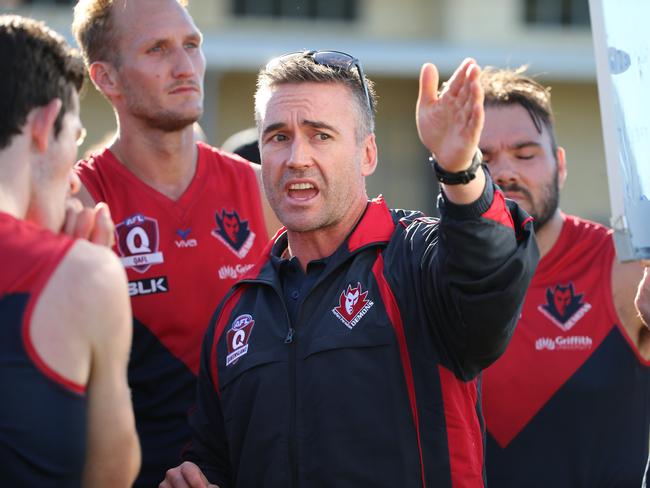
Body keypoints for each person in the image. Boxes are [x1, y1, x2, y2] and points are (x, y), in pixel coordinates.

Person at [161, 52, 539, 487]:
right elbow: (214, 458)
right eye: (278, 137)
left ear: (367, 154)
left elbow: (487, 276)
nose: (297, 157)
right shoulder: (236, 313)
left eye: (321, 135)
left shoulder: (416, 258)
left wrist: (459, 170)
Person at [71, 1, 281, 485]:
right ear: (106, 78)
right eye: (157, 49)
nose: (185, 66)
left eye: (192, 45)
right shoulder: (80, 205)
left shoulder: (262, 190)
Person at [479, 67, 650, 487]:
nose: (503, 172)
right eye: (482, 159)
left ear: (559, 164)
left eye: (524, 153)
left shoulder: (624, 267)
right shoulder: (427, 275)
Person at [0, 15, 139, 487]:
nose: (75, 177)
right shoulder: (85, 275)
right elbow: (112, 474)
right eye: (73, 138)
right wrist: (83, 270)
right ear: (42, 126)